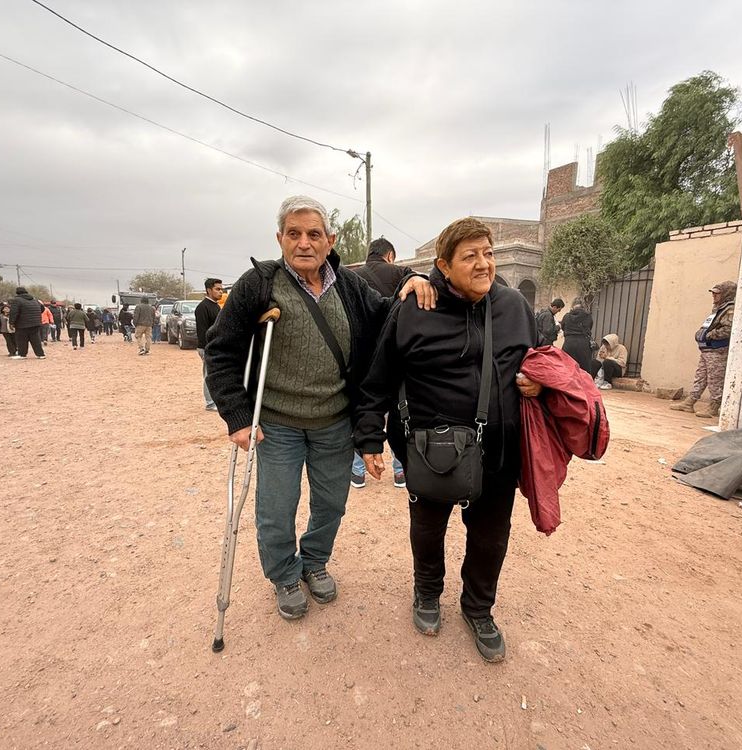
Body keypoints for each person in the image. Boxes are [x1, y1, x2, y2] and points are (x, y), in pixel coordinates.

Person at [208, 195, 435, 621]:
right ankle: (285, 575)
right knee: (277, 508)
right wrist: (237, 415)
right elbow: (221, 352)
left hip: (335, 421)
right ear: (280, 239)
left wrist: (414, 279)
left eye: (314, 234)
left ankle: (314, 561)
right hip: (276, 423)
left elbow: (387, 315)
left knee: (331, 504)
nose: (304, 243)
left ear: (330, 241)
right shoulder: (259, 285)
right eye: (293, 234)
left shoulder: (349, 285)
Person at [354, 217, 539, 663]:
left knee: (491, 537)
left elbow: (539, 360)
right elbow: (377, 377)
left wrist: (539, 382)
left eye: (488, 254)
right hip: (431, 450)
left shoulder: (513, 305)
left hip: (498, 451)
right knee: (428, 528)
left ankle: (478, 609)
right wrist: (369, 438)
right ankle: (427, 592)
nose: (484, 264)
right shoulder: (417, 306)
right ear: (443, 265)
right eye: (470, 256)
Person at [351, 237, 412, 489]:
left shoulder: (350, 277)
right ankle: (399, 471)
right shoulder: (403, 273)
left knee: (362, 408)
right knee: (399, 410)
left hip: (362, 357)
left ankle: (357, 472)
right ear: (390, 256)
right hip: (395, 354)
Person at [672, 281, 737, 419]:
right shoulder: (718, 308)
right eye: (713, 293)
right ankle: (690, 401)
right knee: (700, 376)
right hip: (707, 350)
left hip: (718, 350)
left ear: (726, 294)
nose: (713, 295)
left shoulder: (729, 309)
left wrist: (709, 335)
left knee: (715, 379)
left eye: (717, 293)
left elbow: (728, 329)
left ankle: (714, 406)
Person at [196, 277, 224, 411]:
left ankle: (215, 400)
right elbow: (202, 331)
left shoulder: (216, 306)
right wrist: (208, 348)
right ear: (208, 290)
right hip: (207, 347)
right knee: (208, 375)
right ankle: (209, 402)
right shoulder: (202, 308)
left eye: (221, 289)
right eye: (217, 289)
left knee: (216, 374)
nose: (221, 292)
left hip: (216, 346)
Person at [9, 287, 46, 359]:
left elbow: (13, 312)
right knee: (36, 339)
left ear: (17, 293)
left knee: (22, 339)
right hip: (36, 323)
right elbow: (42, 308)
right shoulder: (35, 300)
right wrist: (35, 316)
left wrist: (11, 323)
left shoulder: (17, 300)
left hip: (22, 323)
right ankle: (40, 354)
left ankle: (22, 354)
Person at [560, 298, 593, 373]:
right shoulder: (588, 316)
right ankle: (583, 384)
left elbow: (563, 327)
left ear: (573, 306)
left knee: (567, 368)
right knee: (584, 370)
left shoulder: (566, 316)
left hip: (569, 343)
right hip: (583, 344)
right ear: (583, 306)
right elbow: (590, 327)